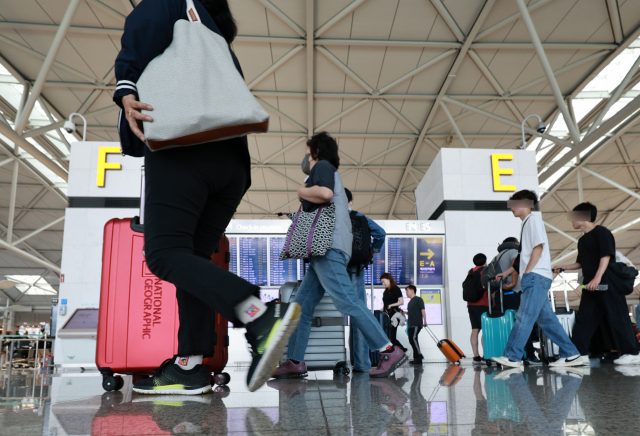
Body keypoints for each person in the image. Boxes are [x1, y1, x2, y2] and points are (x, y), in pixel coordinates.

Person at [113, 0, 301, 394]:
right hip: (232, 164)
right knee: (192, 263)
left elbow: (136, 47)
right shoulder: (213, 34)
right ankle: (190, 365)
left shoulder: (163, 5)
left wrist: (126, 89)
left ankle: (258, 314)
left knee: (164, 255)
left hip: (184, 151)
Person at [273, 133, 406, 379]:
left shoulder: (323, 167)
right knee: (301, 307)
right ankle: (295, 361)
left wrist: (301, 190)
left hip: (328, 248)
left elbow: (323, 195)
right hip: (327, 251)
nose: (306, 156)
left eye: (307, 151)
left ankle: (388, 349)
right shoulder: (335, 177)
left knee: (348, 301)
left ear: (315, 151)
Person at [494, 189, 583, 368]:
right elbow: (524, 255)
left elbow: (538, 247)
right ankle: (572, 354)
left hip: (535, 276)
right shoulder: (527, 223)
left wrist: (527, 272)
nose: (511, 207)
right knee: (547, 320)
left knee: (524, 316)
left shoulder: (533, 220)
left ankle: (512, 357)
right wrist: (510, 271)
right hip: (537, 276)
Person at [554, 202, 640, 365]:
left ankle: (632, 352)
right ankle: (578, 354)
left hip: (607, 284)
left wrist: (598, 277)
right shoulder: (582, 240)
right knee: (584, 320)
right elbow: (581, 263)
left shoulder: (602, 232)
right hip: (591, 287)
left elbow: (606, 256)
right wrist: (564, 266)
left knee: (618, 317)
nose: (571, 221)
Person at [344, 188, 387, 372]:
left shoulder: (329, 217)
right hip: (355, 269)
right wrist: (372, 253)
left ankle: (336, 361)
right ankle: (362, 364)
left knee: (330, 315)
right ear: (350, 202)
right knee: (358, 315)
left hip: (332, 269)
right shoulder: (359, 217)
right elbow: (381, 234)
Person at [495, 237, 540, 365]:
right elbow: (515, 265)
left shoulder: (497, 256)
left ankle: (509, 355)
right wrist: (514, 282)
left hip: (502, 295)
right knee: (524, 322)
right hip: (515, 292)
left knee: (510, 326)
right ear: (515, 243)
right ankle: (530, 355)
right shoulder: (513, 251)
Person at [467, 253, 488, 365]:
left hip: (471, 304)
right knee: (485, 329)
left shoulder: (470, 271)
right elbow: (489, 287)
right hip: (483, 303)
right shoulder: (485, 270)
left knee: (475, 329)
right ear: (485, 261)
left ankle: (476, 356)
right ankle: (486, 355)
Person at [380, 273, 408, 352]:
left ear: (389, 279)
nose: (383, 284)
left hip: (395, 316)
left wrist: (391, 305)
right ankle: (397, 352)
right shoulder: (386, 291)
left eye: (384, 281)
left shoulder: (396, 289)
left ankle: (403, 350)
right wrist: (382, 309)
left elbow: (401, 302)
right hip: (387, 316)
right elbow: (386, 304)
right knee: (388, 337)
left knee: (392, 337)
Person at [405, 285, 426, 364]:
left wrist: (425, 321)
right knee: (414, 339)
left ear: (412, 290)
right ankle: (417, 359)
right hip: (411, 324)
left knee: (412, 339)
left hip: (416, 323)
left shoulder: (418, 299)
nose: (406, 292)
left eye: (407, 290)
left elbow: (422, 310)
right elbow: (410, 313)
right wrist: (403, 312)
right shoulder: (410, 302)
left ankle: (419, 355)